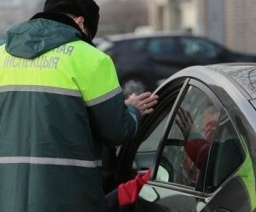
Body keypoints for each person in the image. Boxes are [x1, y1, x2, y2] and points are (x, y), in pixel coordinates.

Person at [0, 0, 158, 212]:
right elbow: (117, 131)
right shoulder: (92, 59)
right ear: (81, 22)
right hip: (68, 199)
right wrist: (132, 110)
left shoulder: (2, 56)